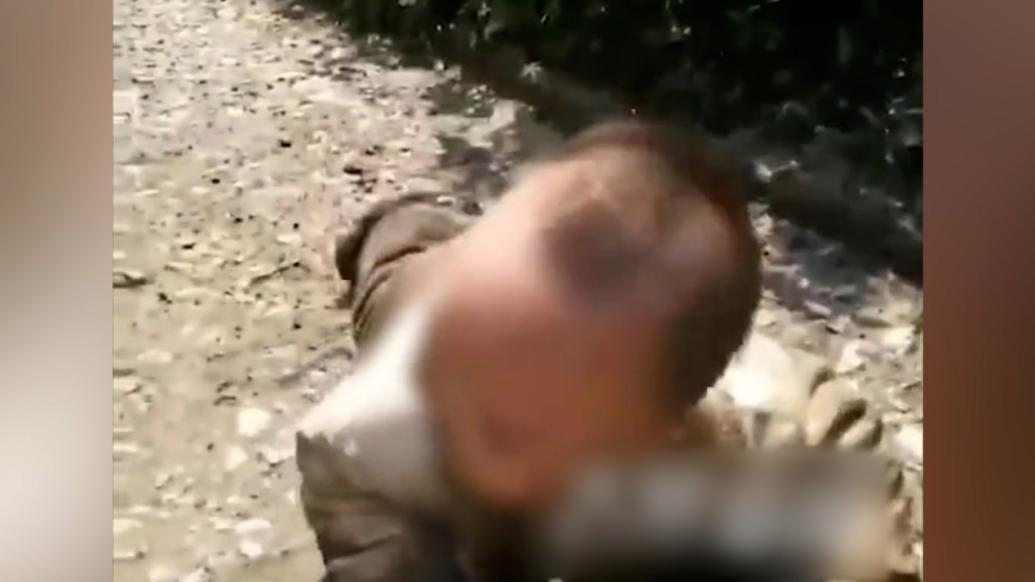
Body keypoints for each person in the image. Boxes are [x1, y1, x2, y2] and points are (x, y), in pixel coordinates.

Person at [294, 120, 903, 582]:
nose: (446, 414)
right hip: (422, 293)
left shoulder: (804, 444)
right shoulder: (372, 433)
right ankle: (400, 220)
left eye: (508, 423)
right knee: (397, 269)